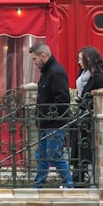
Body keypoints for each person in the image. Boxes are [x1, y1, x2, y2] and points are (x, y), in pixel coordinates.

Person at [29, 42, 74, 188]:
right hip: (45, 122)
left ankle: (69, 185)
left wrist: (49, 116)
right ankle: (38, 184)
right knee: (41, 155)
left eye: (35, 59)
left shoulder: (56, 72)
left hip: (54, 123)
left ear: (43, 56)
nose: (34, 63)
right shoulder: (48, 71)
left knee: (54, 154)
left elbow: (62, 99)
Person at [71, 46, 103, 187]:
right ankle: (78, 176)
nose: (79, 62)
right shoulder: (83, 75)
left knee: (86, 150)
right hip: (81, 117)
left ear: (90, 59)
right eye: (79, 59)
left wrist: (83, 101)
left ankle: (84, 177)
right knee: (77, 148)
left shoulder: (100, 77)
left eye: (82, 59)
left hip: (91, 120)